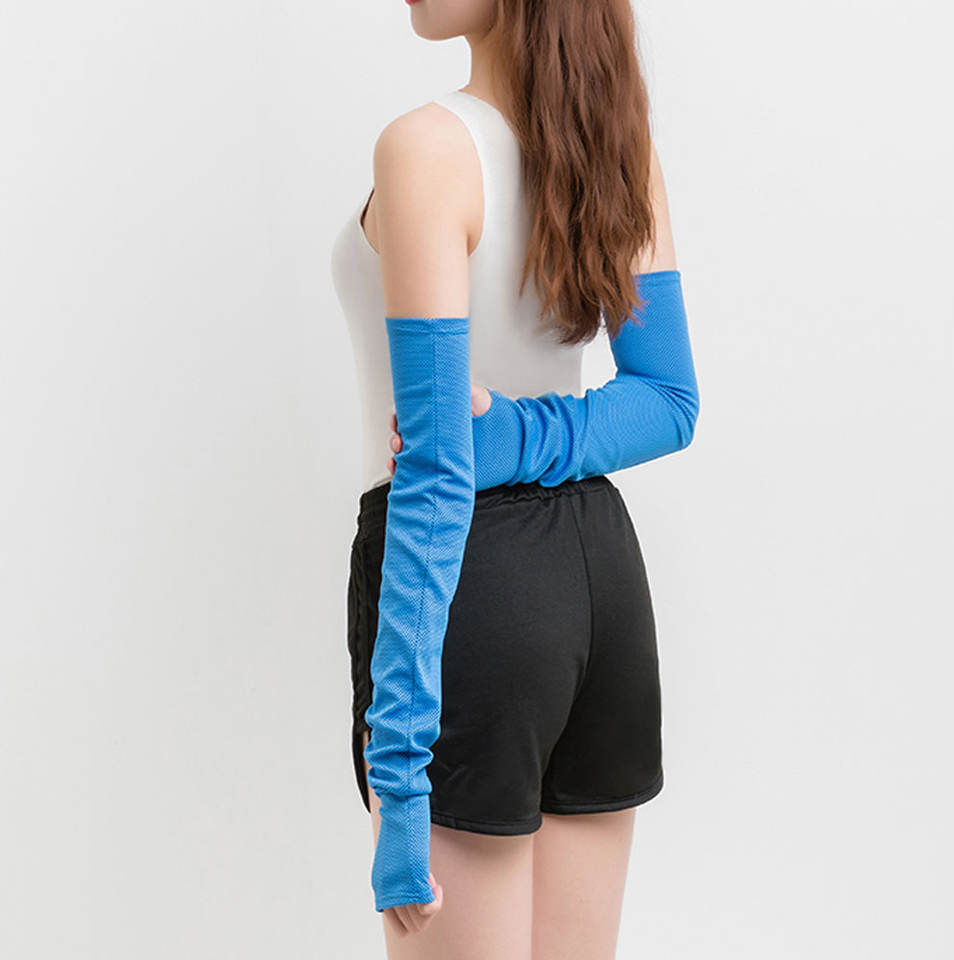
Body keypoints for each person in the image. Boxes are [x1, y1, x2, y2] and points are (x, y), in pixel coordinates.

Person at [330, 1, 699, 956]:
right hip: (599, 582)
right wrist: (525, 438)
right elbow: (668, 400)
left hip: (469, 586)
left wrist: (401, 775)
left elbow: (437, 474)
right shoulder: (615, 148)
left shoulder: (425, 148)